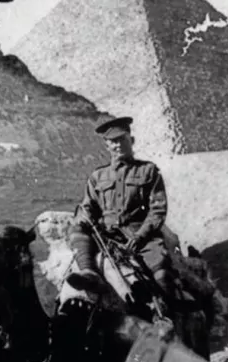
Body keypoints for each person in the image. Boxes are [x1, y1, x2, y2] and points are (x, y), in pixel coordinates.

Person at [69, 115, 174, 309]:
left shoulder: (148, 171)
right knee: (77, 231)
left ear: (131, 141)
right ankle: (88, 273)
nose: (118, 146)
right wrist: (85, 219)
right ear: (106, 146)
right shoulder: (97, 176)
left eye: (122, 140)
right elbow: (89, 207)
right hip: (106, 235)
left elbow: (158, 210)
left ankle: (167, 319)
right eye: (112, 142)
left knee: (162, 274)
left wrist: (140, 236)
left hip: (140, 235)